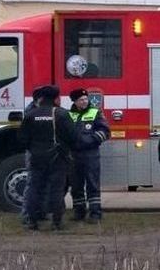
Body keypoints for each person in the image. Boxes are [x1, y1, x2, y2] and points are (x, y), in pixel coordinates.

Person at [18, 84, 76, 231]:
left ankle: (31, 221)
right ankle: (56, 222)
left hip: (36, 157)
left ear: (41, 98)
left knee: (33, 188)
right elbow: (73, 136)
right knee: (56, 189)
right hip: (57, 158)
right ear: (56, 98)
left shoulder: (31, 115)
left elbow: (22, 139)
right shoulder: (61, 114)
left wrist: (34, 148)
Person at [67, 88, 110, 222]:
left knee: (93, 184)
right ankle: (79, 212)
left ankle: (95, 213)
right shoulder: (69, 115)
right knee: (76, 185)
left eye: (86, 99)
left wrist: (89, 141)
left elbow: (105, 132)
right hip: (74, 155)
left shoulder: (96, 112)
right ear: (75, 101)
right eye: (81, 100)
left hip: (91, 154)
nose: (85, 101)